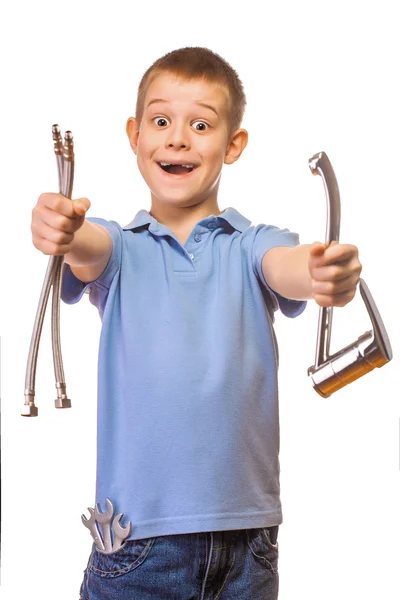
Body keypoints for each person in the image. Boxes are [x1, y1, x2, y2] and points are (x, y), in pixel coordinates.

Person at [31, 47, 362, 600]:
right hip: (136, 547)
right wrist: (61, 228)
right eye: (161, 121)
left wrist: (323, 270)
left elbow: (293, 267)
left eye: (201, 125)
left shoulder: (255, 245)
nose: (177, 138)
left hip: (247, 545)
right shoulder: (119, 247)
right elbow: (83, 244)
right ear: (135, 135)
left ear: (233, 145)